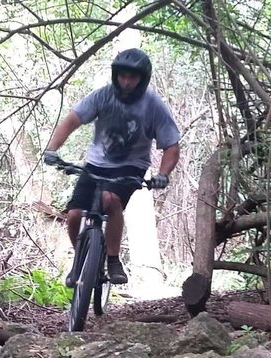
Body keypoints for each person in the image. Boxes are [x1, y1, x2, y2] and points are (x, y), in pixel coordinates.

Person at [43, 48, 181, 286]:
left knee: (110, 200)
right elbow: (72, 120)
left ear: (142, 79)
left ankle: (113, 260)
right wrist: (52, 149)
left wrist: (163, 174)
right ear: (115, 75)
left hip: (130, 167)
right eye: (122, 76)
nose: (126, 82)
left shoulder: (153, 105)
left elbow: (172, 146)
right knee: (74, 214)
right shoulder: (102, 96)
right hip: (96, 164)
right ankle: (80, 259)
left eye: (133, 77)